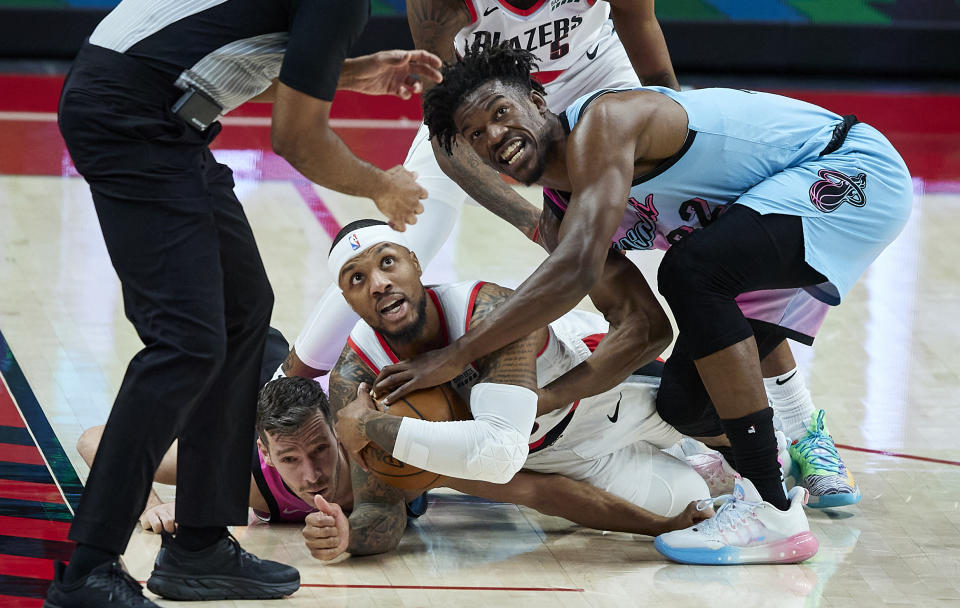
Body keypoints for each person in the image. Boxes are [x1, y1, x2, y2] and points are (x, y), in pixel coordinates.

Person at [281, 0, 855, 511]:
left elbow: (640, 26)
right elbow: (450, 133)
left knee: (713, 245)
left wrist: (681, 160)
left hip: (597, 83)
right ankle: (288, 396)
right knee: (399, 247)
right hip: (482, 111)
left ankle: (803, 428)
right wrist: (536, 220)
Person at [378, 45, 913, 564]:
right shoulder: (563, 212)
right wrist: (540, 400)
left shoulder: (605, 122)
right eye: (476, 134)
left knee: (692, 272)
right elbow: (643, 330)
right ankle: (772, 474)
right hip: (767, 225)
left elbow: (577, 268)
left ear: (538, 103)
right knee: (687, 406)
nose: (495, 136)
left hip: (849, 168)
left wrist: (453, 357)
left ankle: (771, 509)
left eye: (501, 113)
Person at [42, 0, 444, 608]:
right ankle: (87, 572)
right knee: (184, 344)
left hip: (154, 112)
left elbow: (238, 40)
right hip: (129, 113)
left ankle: (199, 544)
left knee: (242, 311)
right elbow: (296, 137)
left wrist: (355, 68)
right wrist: (380, 185)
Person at [326, 219, 716, 554]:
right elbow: (379, 507)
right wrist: (350, 537)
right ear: (346, 298)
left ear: (414, 262)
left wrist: (369, 426)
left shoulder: (485, 309)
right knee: (695, 502)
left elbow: (499, 453)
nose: (378, 284)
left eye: (388, 262)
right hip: (553, 459)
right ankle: (701, 462)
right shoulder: (354, 377)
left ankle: (733, 444)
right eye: (357, 278)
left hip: (603, 395)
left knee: (710, 413)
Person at [77, 367, 715, 563]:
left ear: (336, 430)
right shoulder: (244, 472)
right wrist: (151, 503)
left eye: (320, 449)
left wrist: (648, 527)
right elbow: (93, 440)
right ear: (267, 455)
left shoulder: (397, 452)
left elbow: (542, 494)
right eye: (291, 460)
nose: (312, 473)